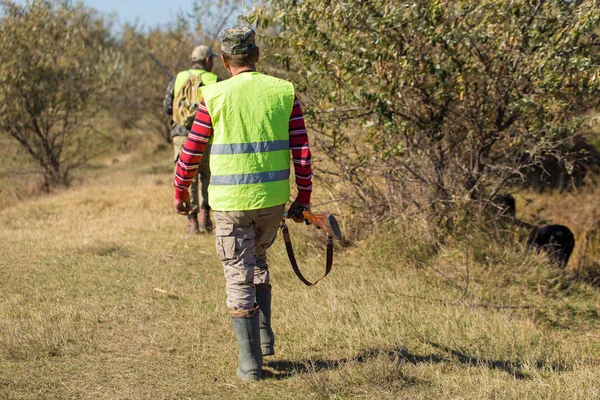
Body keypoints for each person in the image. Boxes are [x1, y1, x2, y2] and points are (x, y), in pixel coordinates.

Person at [173, 27, 312, 381]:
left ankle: (250, 366)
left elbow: (190, 153)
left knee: (238, 271)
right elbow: (302, 151)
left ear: (223, 60)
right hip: (273, 201)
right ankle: (263, 340)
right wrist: (304, 196)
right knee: (258, 259)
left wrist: (181, 191)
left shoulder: (215, 95)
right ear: (257, 55)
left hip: (230, 203)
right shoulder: (284, 92)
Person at [164, 45, 220, 234]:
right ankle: (206, 217)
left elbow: (166, 106)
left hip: (181, 135)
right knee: (207, 176)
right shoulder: (214, 80)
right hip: (206, 136)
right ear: (207, 61)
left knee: (187, 177)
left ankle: (192, 222)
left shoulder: (178, 78)